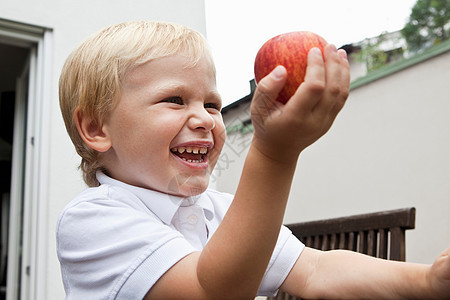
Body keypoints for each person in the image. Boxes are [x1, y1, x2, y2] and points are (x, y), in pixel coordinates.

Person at [56, 20, 450, 299]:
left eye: (212, 103)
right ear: (96, 128)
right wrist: (274, 154)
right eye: (174, 99)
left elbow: (316, 271)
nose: (206, 118)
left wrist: (428, 282)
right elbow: (213, 292)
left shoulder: (223, 210)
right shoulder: (93, 218)